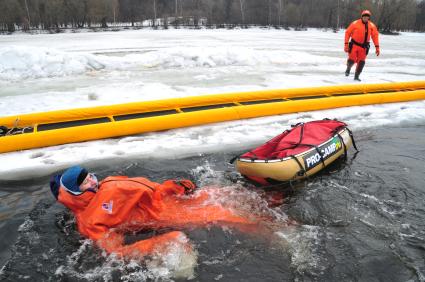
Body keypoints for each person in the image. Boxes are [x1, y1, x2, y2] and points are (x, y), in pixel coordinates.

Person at [50, 165, 259, 258]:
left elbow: (150, 190)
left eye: (89, 176)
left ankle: (272, 192)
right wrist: (163, 243)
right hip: (165, 215)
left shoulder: (107, 184)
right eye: (84, 182)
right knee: (237, 219)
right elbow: (115, 252)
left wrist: (173, 187)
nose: (92, 180)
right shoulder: (89, 221)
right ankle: (274, 232)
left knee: (228, 193)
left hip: (168, 202)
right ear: (74, 193)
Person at [344, 10, 380, 81]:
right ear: (362, 16)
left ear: (369, 18)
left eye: (367, 17)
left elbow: (375, 36)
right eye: (364, 16)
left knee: (361, 62)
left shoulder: (372, 26)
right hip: (354, 45)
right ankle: (348, 69)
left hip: (364, 48)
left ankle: (356, 76)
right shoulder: (355, 23)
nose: (366, 18)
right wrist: (346, 44)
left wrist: (377, 47)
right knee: (352, 59)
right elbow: (347, 33)